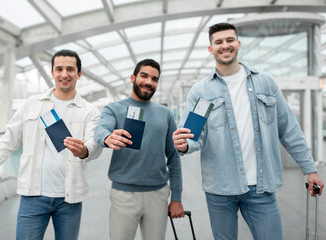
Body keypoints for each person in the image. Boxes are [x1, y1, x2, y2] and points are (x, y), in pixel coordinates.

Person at [173, 23, 324, 240]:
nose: (225, 45)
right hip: (220, 189)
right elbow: (194, 136)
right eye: (218, 42)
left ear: (238, 44)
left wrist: (309, 169)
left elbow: (289, 129)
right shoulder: (201, 91)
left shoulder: (265, 82)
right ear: (211, 49)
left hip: (261, 188)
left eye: (229, 40)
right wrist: (185, 144)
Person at [0, 49, 102, 240]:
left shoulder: (89, 111)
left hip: (70, 198)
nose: (64, 74)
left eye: (70, 69)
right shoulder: (32, 104)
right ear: (52, 73)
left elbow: (95, 146)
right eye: (59, 69)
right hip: (33, 195)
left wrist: (84, 150)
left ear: (78, 74)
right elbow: (9, 139)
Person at [94, 59, 184, 240]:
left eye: (154, 79)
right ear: (133, 78)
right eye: (144, 76)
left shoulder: (165, 114)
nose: (149, 82)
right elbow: (101, 130)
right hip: (123, 195)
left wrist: (176, 198)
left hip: (158, 195)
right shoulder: (113, 109)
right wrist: (107, 137)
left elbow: (173, 157)